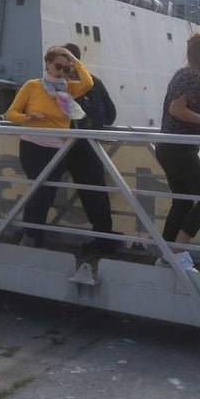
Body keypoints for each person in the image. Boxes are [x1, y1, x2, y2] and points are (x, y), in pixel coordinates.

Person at [4, 45, 94, 247]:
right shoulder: (32, 86)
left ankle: (35, 234)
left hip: (57, 149)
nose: (62, 71)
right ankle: (31, 234)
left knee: (49, 192)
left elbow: (88, 82)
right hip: (33, 147)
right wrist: (28, 117)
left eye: (66, 68)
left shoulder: (69, 88)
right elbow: (10, 113)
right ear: (47, 64)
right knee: (40, 190)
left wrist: (73, 58)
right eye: (58, 66)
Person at [155, 31, 200, 272]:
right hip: (178, 150)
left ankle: (166, 256)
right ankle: (178, 251)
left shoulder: (188, 74)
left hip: (174, 148)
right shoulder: (190, 75)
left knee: (183, 203)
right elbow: (176, 109)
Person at [64, 42, 118, 251]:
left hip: (62, 145)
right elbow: (111, 115)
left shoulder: (60, 84)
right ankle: (104, 237)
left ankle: (33, 232)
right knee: (94, 192)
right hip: (90, 146)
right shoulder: (95, 82)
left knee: (45, 187)